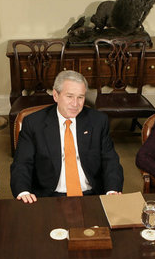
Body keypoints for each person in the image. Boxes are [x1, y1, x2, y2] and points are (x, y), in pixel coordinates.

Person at [10, 70, 124, 203]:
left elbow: (110, 161)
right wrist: (23, 191)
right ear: (55, 95)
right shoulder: (34, 123)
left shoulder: (98, 121)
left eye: (80, 97)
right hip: (49, 196)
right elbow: (22, 164)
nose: (75, 104)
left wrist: (112, 190)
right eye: (69, 96)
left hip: (92, 195)